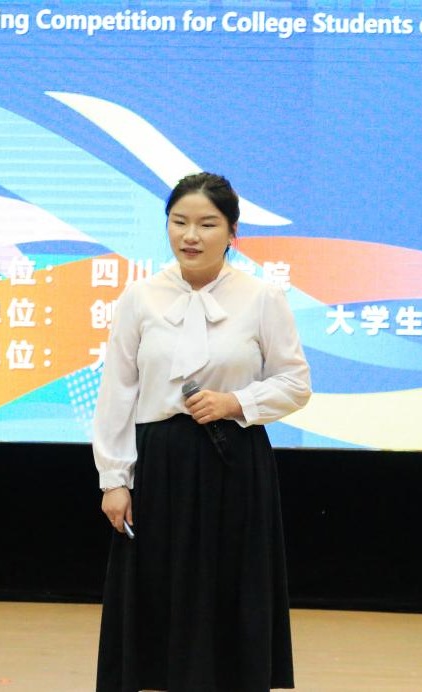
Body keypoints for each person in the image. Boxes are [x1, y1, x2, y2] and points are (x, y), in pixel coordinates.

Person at [92, 171, 312, 692]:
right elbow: (118, 391)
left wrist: (236, 402)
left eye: (207, 224)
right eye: (179, 222)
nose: (191, 236)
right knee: (157, 589)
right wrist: (114, 480)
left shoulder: (261, 298)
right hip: (160, 463)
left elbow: (296, 383)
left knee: (229, 589)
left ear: (232, 233)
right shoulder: (140, 297)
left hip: (233, 461)